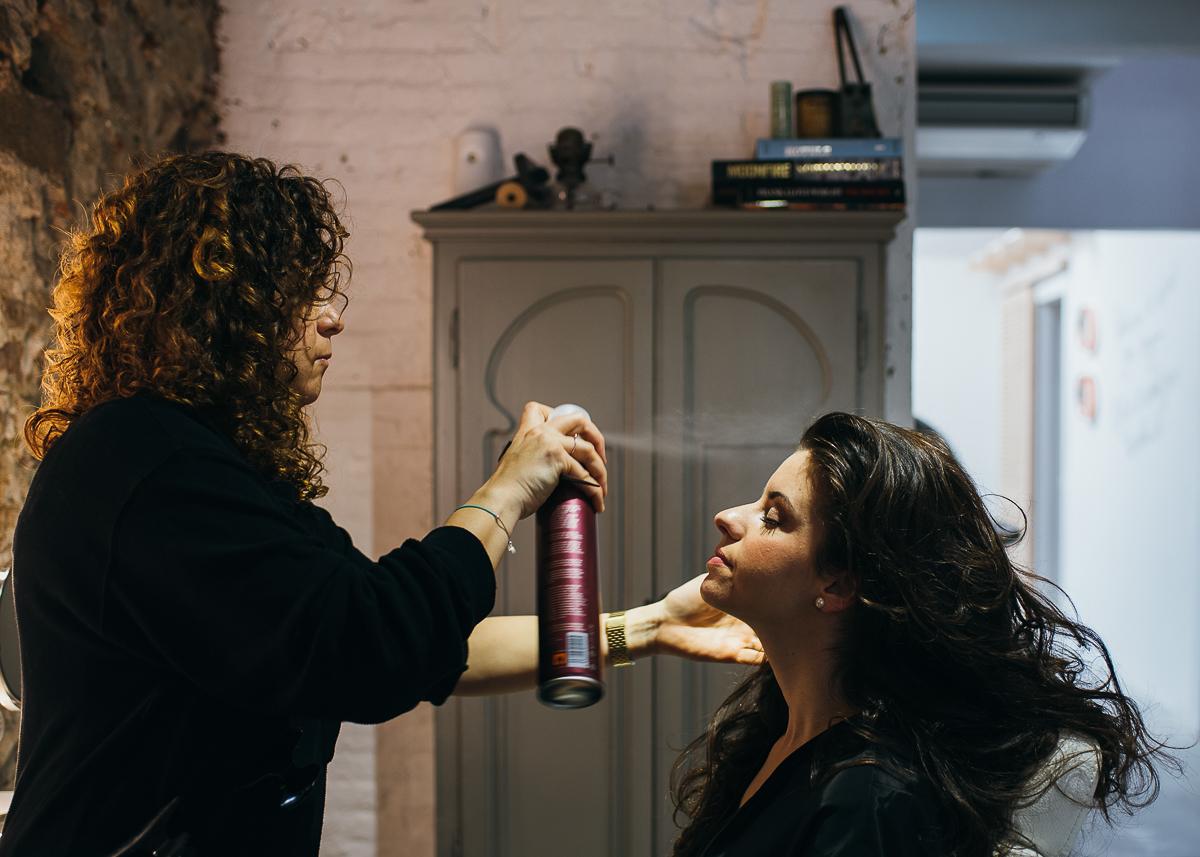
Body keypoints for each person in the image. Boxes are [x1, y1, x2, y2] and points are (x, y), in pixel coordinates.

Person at [2, 152, 761, 856]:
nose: (329, 318)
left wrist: (647, 626)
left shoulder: (202, 470)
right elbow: (375, 644)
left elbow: (427, 640)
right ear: (220, 304)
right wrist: (505, 489)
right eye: (297, 294)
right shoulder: (145, 463)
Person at [670, 412, 1176, 857]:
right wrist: (644, 628)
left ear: (841, 582)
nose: (728, 517)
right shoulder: (778, 729)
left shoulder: (867, 797)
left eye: (773, 517)